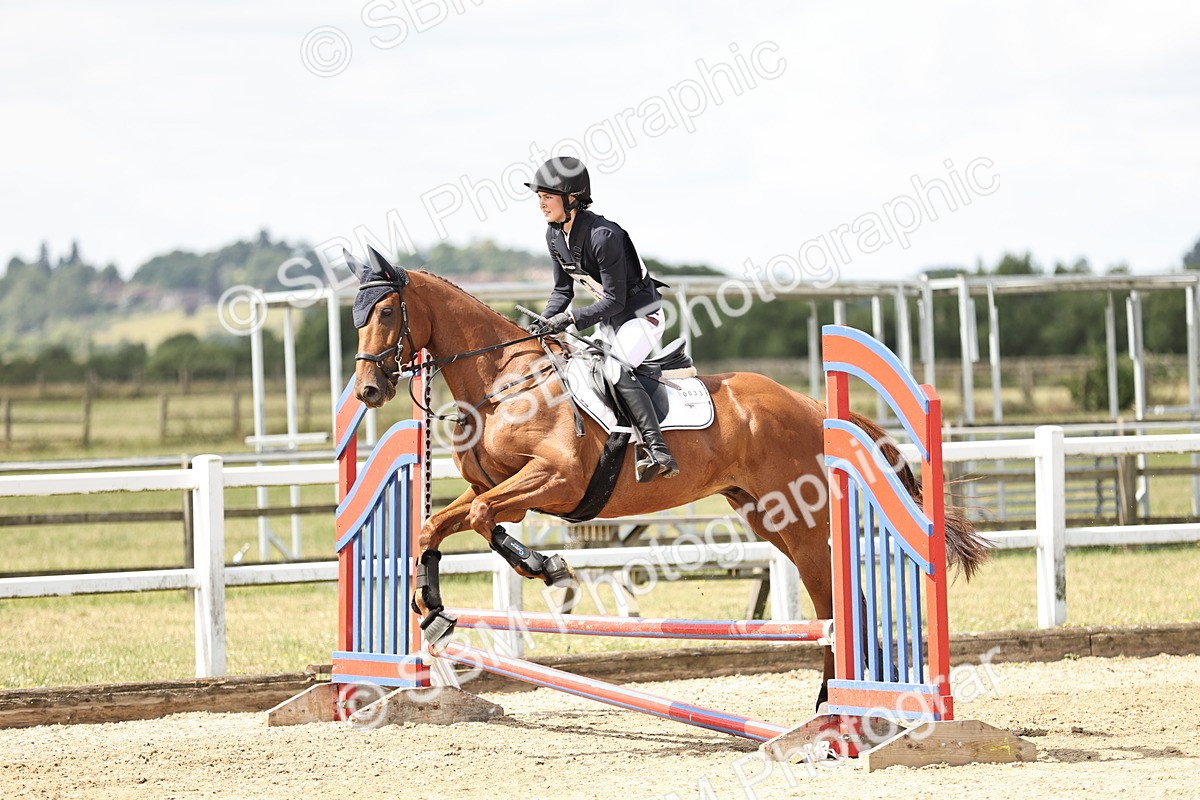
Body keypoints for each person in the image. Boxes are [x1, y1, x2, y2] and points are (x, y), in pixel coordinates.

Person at [524, 156, 680, 483]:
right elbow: (561, 291)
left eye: (547, 196)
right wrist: (543, 321)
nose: (541, 204)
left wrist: (569, 319)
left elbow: (615, 300)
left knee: (614, 368)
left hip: (641, 317)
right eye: (539, 197)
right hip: (610, 322)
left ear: (571, 198)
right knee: (577, 369)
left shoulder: (604, 235)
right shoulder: (554, 236)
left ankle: (658, 450)